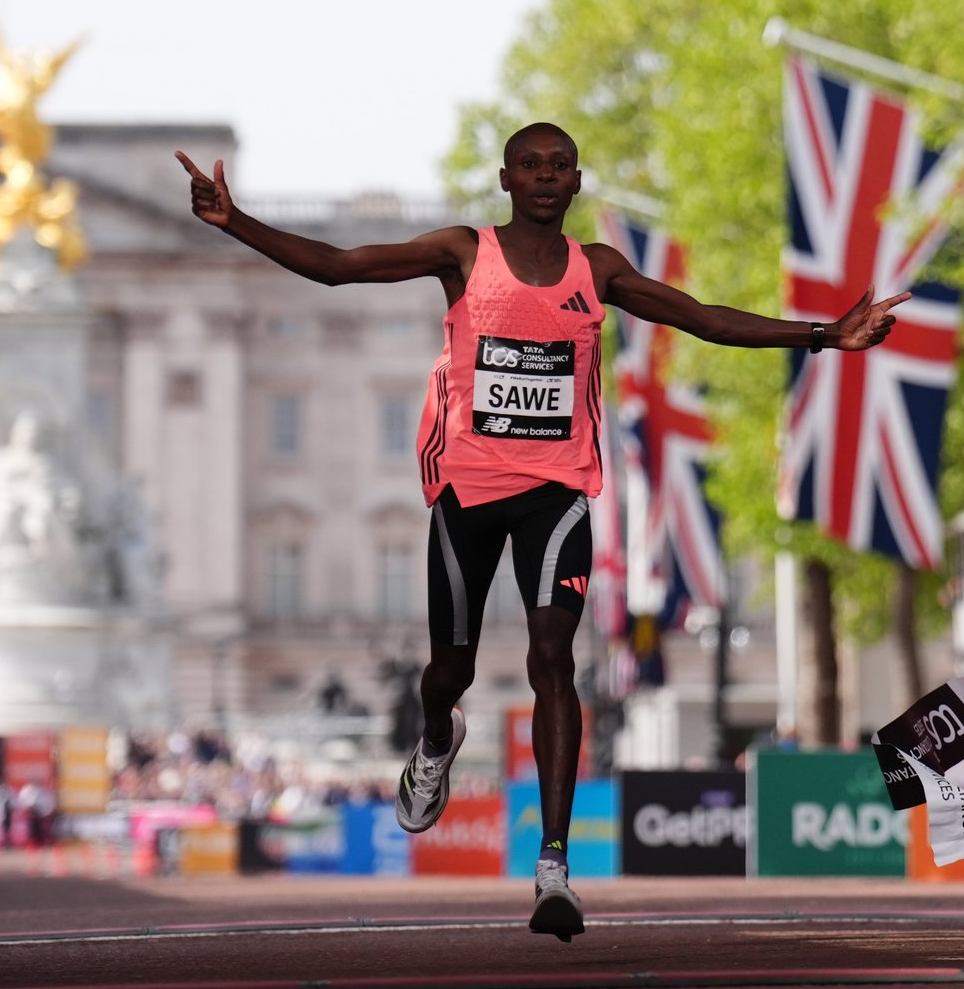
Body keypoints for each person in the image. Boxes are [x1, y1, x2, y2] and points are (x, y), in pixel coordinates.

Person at [176, 124, 906, 939]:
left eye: (560, 167)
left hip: (557, 492)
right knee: (448, 671)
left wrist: (824, 335)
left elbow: (701, 318)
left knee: (552, 657)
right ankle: (435, 736)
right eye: (531, 166)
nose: (546, 177)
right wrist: (234, 222)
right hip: (468, 491)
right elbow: (340, 267)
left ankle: (553, 865)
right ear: (506, 179)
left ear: (578, 182)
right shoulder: (463, 253)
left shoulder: (599, 270)